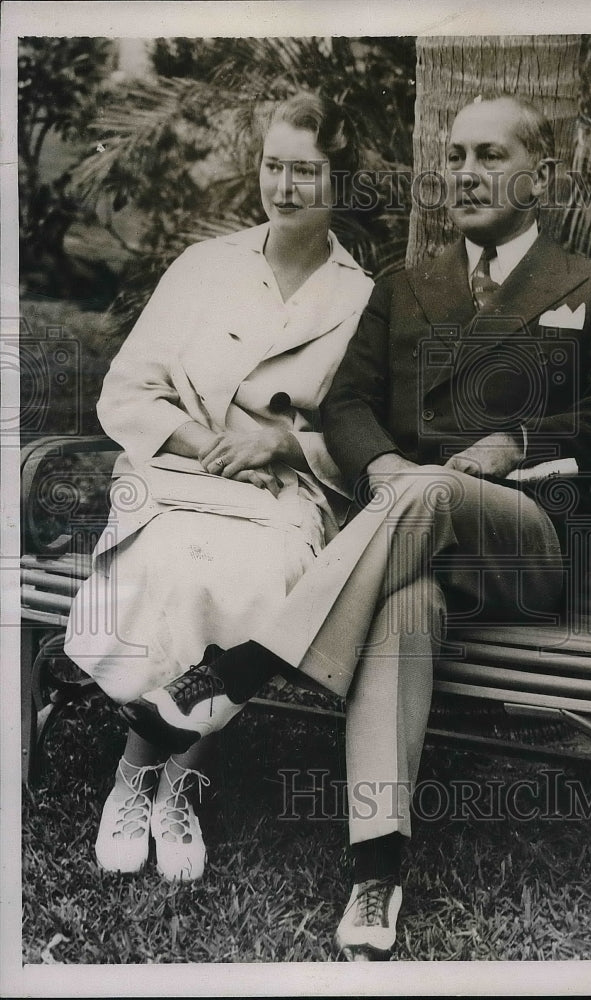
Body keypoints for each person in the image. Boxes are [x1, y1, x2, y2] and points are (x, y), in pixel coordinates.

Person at [119, 94, 591, 957]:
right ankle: (376, 876)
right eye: (454, 156)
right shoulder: (407, 287)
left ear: (540, 178)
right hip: (411, 548)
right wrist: (378, 467)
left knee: (432, 490)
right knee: (405, 599)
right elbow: (349, 402)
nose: (465, 174)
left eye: (487, 156)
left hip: (526, 550)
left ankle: (240, 670)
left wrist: (517, 441)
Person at [63, 93, 374, 884]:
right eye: (274, 166)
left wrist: (283, 442)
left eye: (306, 171)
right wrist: (206, 443)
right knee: (174, 567)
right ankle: (142, 782)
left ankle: (168, 784)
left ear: (339, 182)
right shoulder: (204, 267)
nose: (285, 186)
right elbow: (125, 392)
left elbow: (366, 432)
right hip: (177, 474)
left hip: (283, 494)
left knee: (254, 578)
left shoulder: (360, 299)